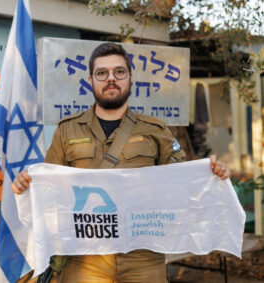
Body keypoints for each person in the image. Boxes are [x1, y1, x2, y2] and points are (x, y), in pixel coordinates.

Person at [12, 42, 230, 283]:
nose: (111, 79)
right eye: (102, 73)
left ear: (130, 77)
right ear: (91, 80)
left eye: (119, 72)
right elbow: (52, 190)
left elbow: (181, 183)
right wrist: (27, 185)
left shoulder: (155, 130)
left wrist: (210, 174)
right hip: (85, 258)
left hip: (143, 256)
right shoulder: (67, 131)